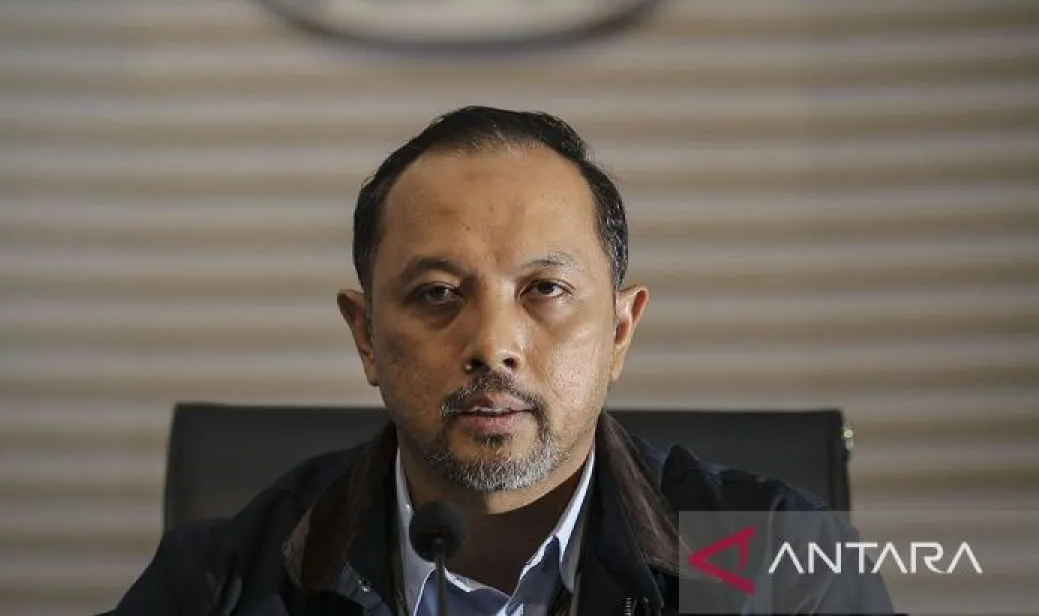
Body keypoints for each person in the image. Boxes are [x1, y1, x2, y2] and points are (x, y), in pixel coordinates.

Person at [104, 106, 893, 615]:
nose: (492, 345)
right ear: (366, 336)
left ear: (620, 331)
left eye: (545, 289)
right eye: (438, 293)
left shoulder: (782, 568)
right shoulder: (215, 587)